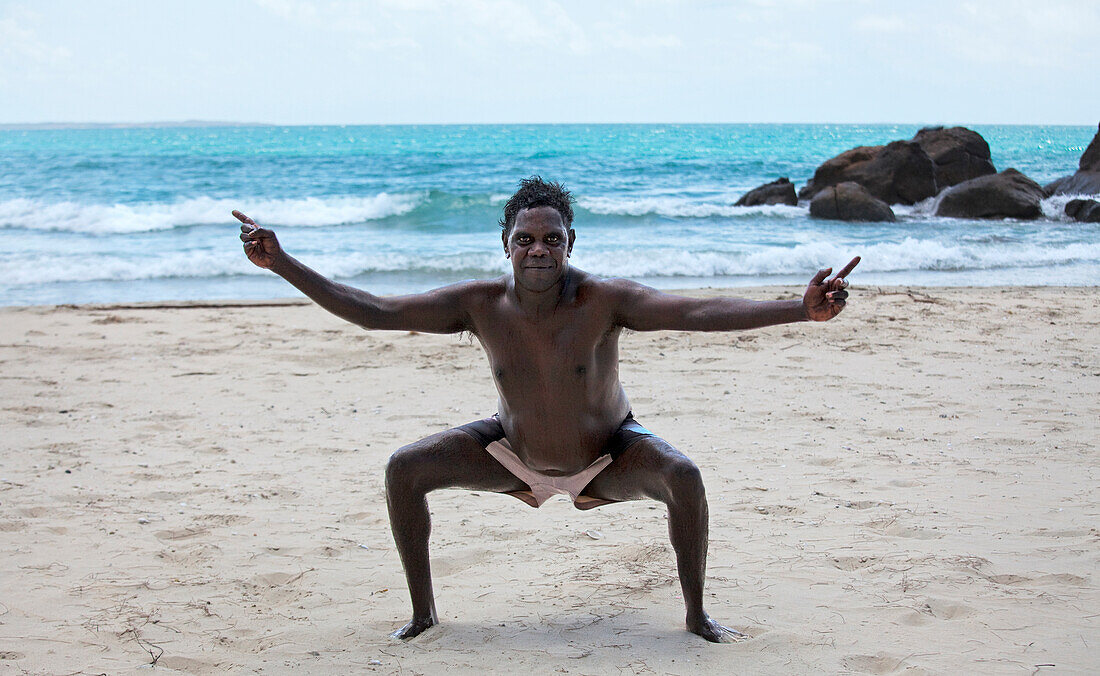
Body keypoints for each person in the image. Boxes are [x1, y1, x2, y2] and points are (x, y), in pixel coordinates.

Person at [235, 176, 859, 643]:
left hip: (609, 454)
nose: (539, 249)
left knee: (684, 478)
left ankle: (696, 615)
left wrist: (798, 310)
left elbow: (698, 312)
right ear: (505, 245)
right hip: (513, 454)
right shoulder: (477, 303)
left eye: (552, 239)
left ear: (570, 243)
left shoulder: (604, 299)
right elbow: (375, 311)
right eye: (525, 239)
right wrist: (282, 262)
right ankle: (423, 614)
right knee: (405, 468)